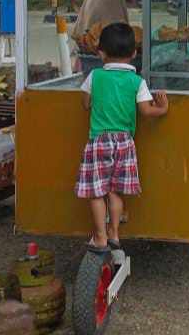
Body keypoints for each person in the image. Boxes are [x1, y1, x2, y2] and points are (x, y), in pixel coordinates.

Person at [76, 22, 169, 252]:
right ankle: (114, 233)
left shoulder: (94, 76)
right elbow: (147, 111)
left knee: (97, 192)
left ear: (101, 52)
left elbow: (85, 103)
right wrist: (163, 108)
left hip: (99, 141)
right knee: (115, 191)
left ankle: (99, 238)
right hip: (125, 143)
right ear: (135, 53)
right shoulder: (137, 82)